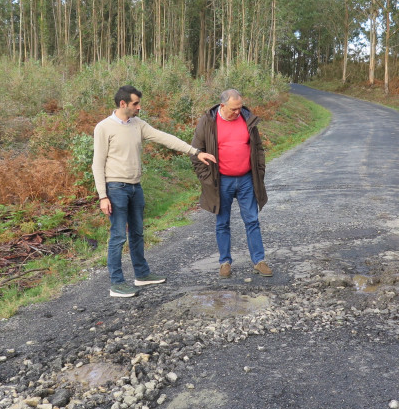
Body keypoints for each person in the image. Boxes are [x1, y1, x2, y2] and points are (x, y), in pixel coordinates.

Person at [93, 85, 217, 297]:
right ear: (123, 104)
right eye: (135, 104)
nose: (139, 107)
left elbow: (164, 137)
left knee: (138, 233)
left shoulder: (138, 124)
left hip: (135, 187)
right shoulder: (104, 127)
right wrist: (103, 196)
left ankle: (141, 275)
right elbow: (97, 163)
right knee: (118, 236)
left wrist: (196, 152)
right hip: (116, 188)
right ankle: (116, 283)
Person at [191, 88, 273, 279]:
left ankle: (259, 261)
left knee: (252, 220)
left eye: (240, 108)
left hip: (246, 179)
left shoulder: (247, 119)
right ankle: (225, 263)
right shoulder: (208, 122)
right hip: (221, 181)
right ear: (222, 105)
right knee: (222, 223)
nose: (238, 112)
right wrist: (207, 179)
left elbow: (258, 149)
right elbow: (195, 152)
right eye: (234, 109)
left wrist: (259, 172)